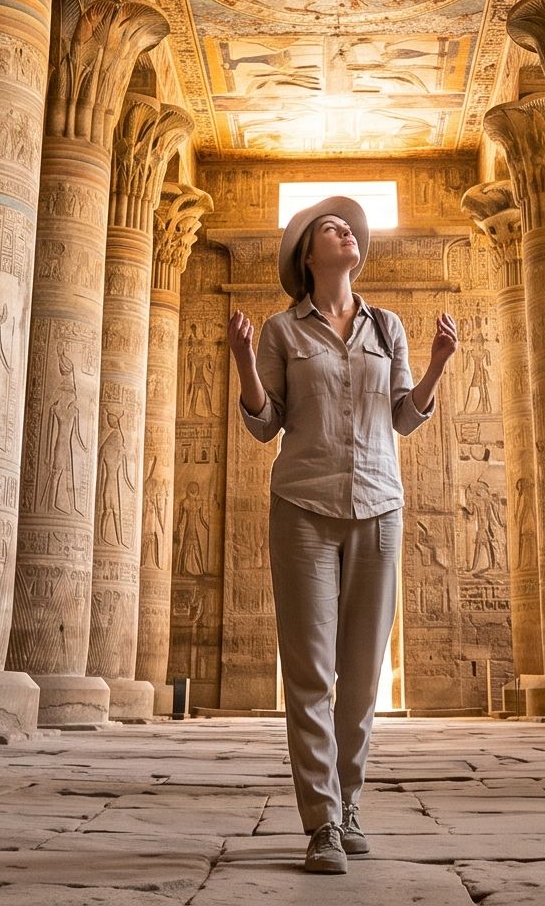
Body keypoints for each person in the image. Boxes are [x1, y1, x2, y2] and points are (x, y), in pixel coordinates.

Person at [227, 196, 455, 875]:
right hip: (303, 504)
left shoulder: (387, 327)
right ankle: (321, 820)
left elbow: (406, 417)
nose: (345, 232)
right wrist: (242, 360)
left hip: (380, 505)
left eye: (349, 227)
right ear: (308, 255)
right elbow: (265, 424)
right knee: (309, 671)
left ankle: (349, 804)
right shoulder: (279, 330)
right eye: (330, 228)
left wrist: (440, 362)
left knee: (361, 676)